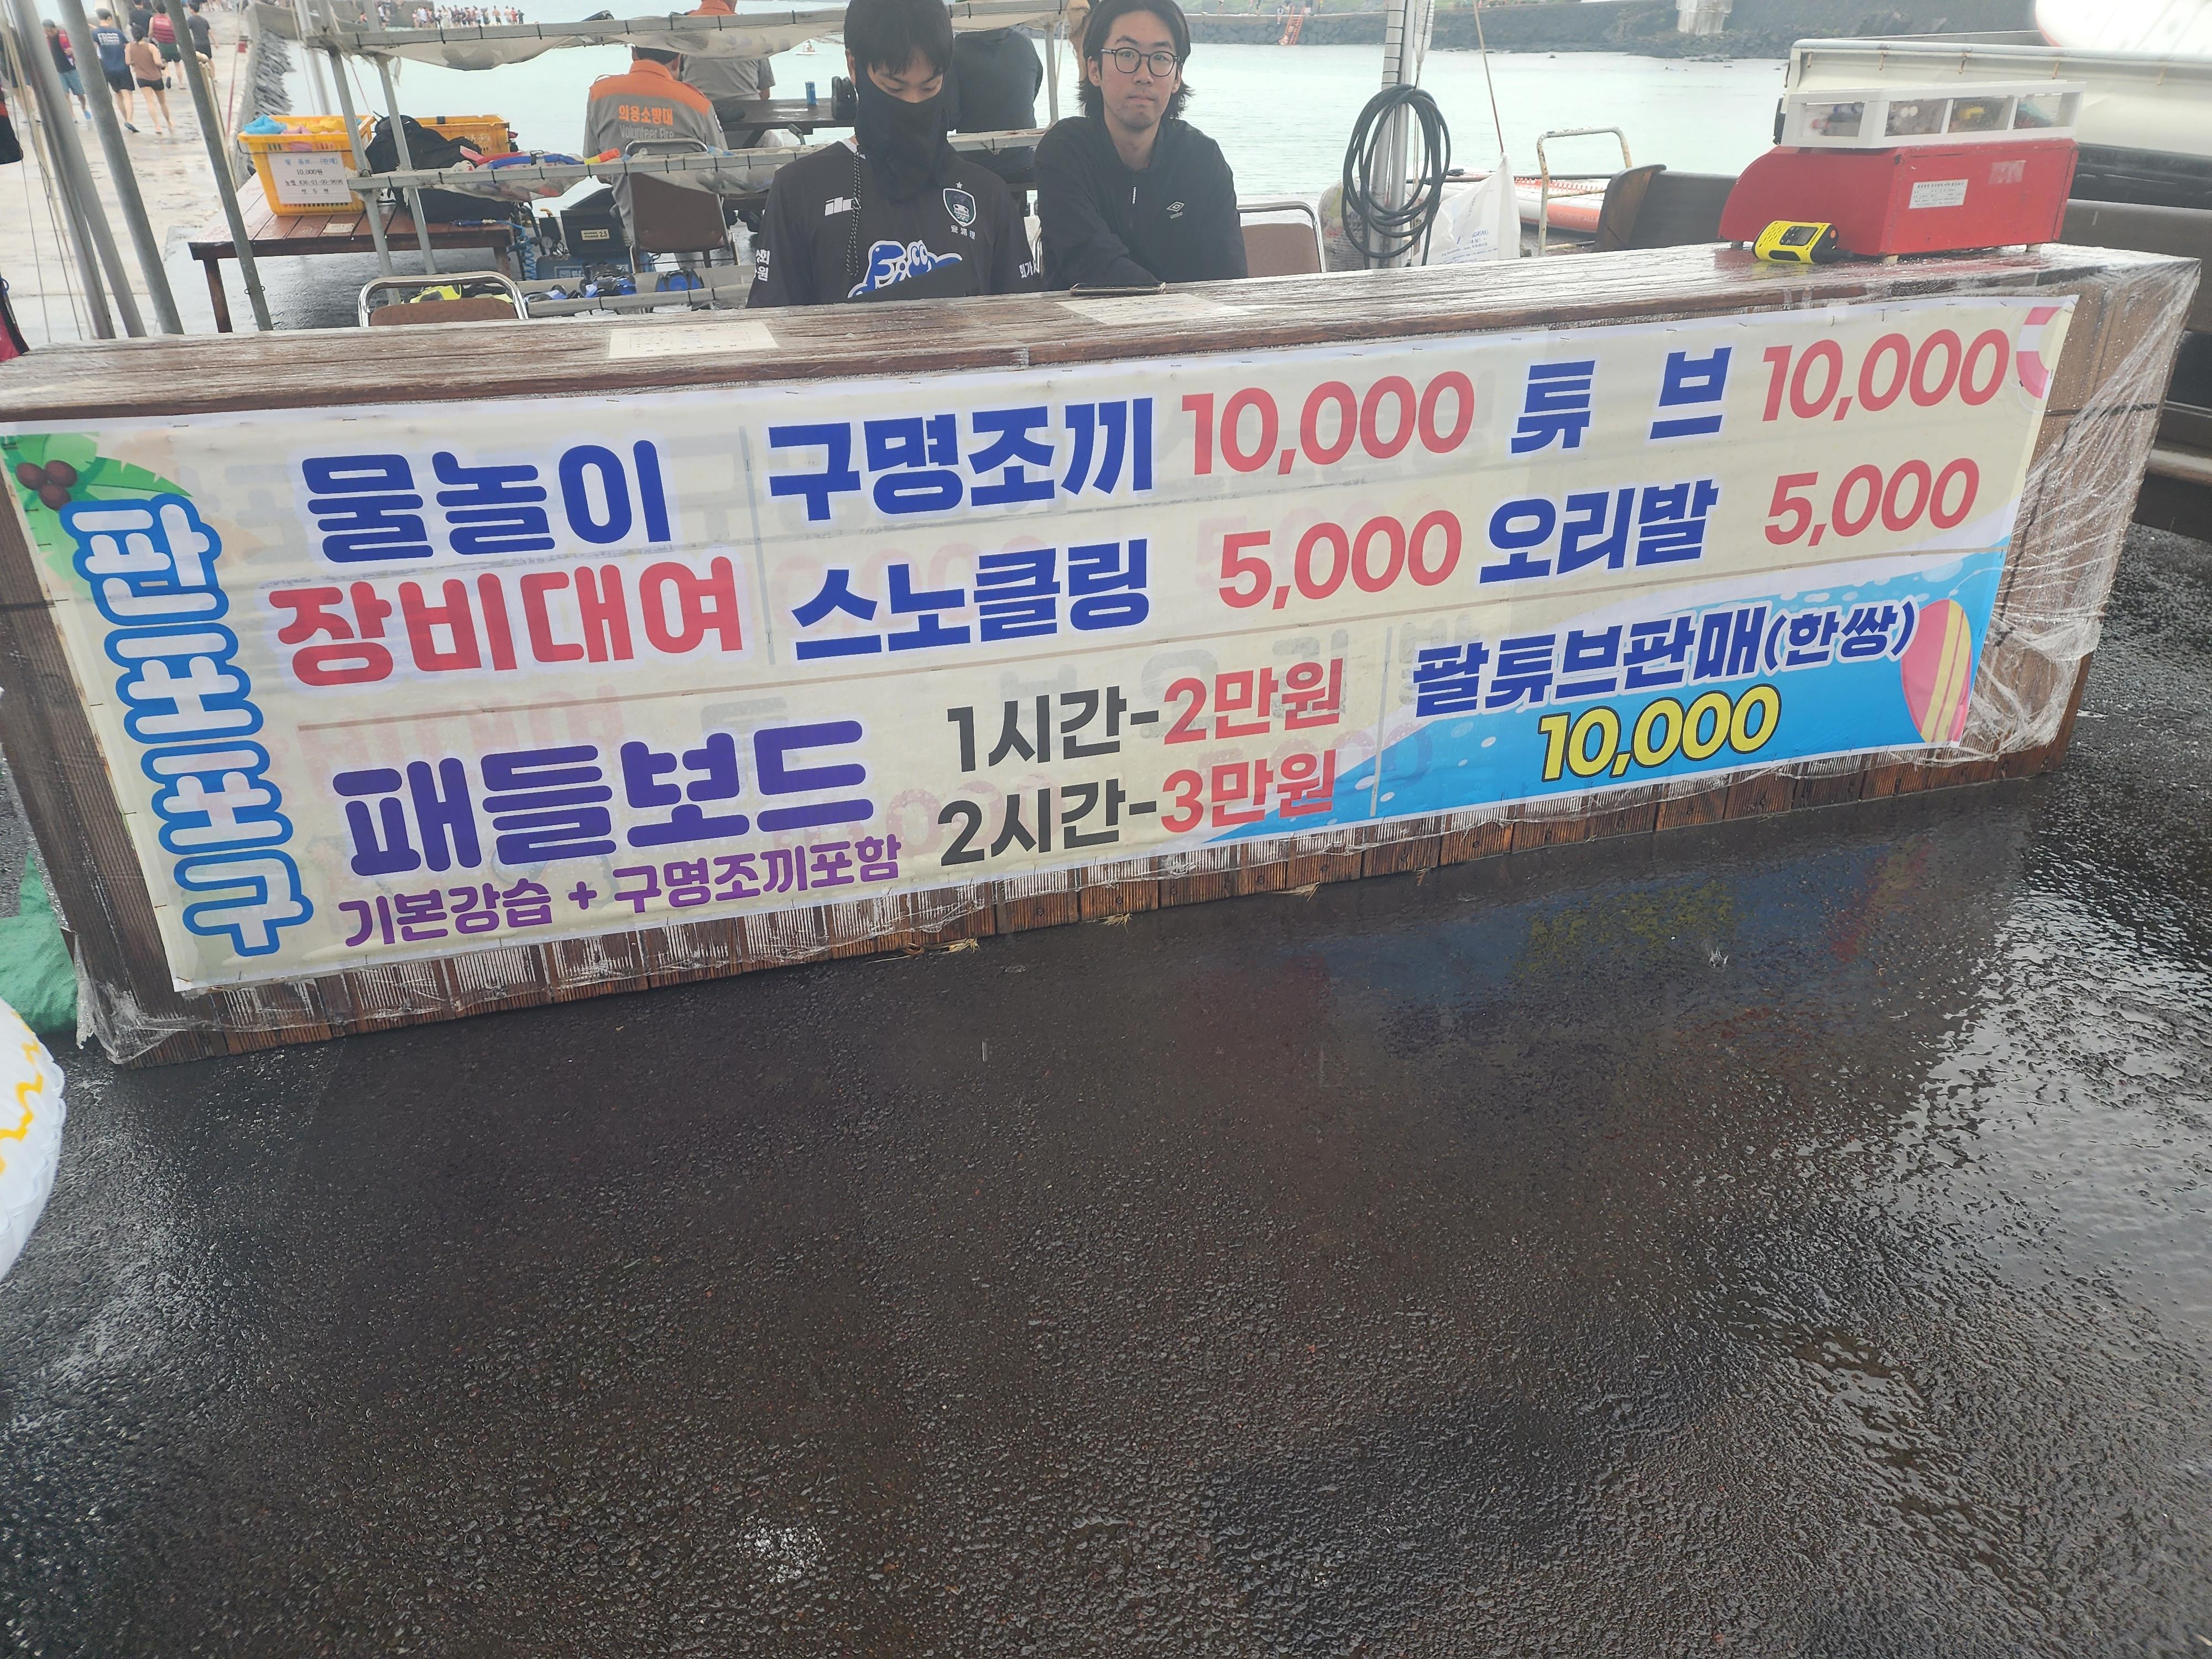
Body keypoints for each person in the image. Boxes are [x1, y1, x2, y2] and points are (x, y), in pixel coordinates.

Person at [748, 0, 1038, 306]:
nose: (913, 103)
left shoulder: (988, 194)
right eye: (894, 89)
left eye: (929, 87)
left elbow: (1027, 315)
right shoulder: (799, 189)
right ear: (854, 67)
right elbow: (772, 319)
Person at [1033, 0, 1245, 288]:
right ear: (1094, 69)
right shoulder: (1065, 152)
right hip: (1084, 317)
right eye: (1127, 54)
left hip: (1190, 317)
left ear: (1177, 77)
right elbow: (1092, 263)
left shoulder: (1203, 160)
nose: (1144, 76)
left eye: (1160, 58)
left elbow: (1229, 279)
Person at [581, 46, 723, 242]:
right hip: (703, 230)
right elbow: (722, 169)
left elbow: (597, 168)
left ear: (634, 54)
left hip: (641, 233)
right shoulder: (697, 102)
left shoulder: (600, 93)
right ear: (678, 60)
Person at [948, 22, 1041, 189]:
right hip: (1024, 163)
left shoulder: (956, 50)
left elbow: (950, 118)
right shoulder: (1026, 44)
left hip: (976, 166)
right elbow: (1032, 93)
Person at [677, 0, 773, 137]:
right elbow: (765, 93)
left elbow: (675, 85)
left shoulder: (684, 32)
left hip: (702, 132)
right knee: (777, 145)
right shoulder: (752, 32)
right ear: (734, 3)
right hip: (749, 131)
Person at [89, 9, 137, 129]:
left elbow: (93, 49)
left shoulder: (96, 33)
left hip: (107, 68)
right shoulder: (118, 32)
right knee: (127, 95)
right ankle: (130, 120)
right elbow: (127, 47)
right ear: (110, 18)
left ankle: (126, 119)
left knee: (118, 94)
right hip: (123, 67)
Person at [123, 30, 174, 133]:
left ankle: (157, 126)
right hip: (156, 77)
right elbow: (158, 62)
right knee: (163, 102)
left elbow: (128, 62)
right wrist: (164, 66)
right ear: (143, 35)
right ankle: (169, 122)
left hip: (141, 78)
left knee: (150, 102)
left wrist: (136, 63)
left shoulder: (129, 47)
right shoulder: (151, 47)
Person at [41, 23, 89, 122]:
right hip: (58, 71)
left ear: (53, 29)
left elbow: (79, 45)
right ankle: (72, 116)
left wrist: (73, 50)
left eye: (48, 31)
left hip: (71, 69)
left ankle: (84, 108)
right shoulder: (45, 40)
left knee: (80, 95)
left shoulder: (65, 34)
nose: (47, 33)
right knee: (65, 95)